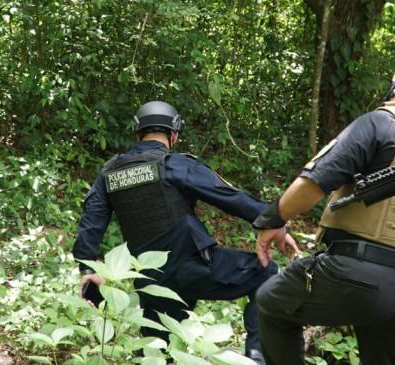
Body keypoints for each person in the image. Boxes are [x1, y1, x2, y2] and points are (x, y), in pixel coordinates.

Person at [252, 61, 395, 365]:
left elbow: (313, 182)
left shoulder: (383, 122)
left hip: (354, 271)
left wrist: (273, 219)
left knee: (270, 304)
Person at [73, 101, 290, 362]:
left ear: (137, 133)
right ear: (173, 135)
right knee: (265, 272)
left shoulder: (109, 172)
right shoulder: (175, 163)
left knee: (155, 351)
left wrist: (88, 270)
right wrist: (273, 218)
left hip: (151, 281)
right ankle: (257, 357)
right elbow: (227, 196)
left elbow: (91, 223)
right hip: (195, 269)